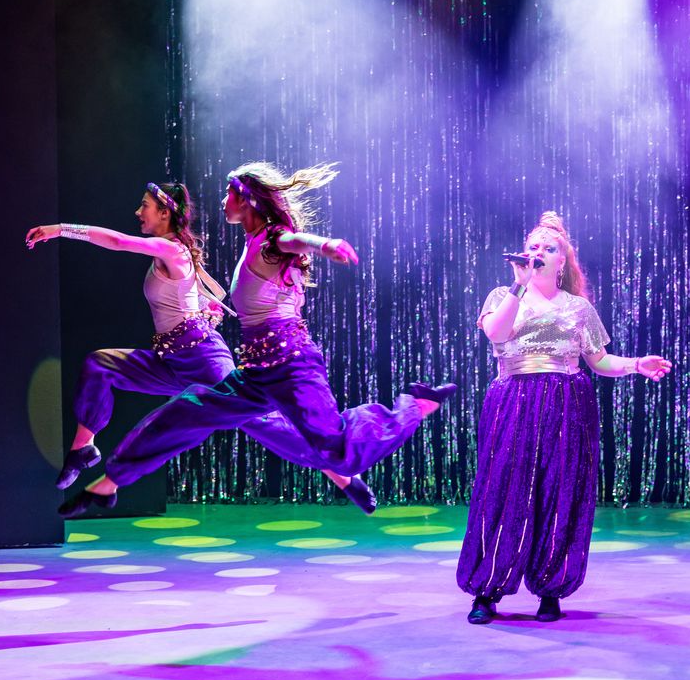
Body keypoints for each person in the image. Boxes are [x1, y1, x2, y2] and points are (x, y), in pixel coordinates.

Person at [59, 163, 453, 515]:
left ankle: (414, 406)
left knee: (338, 452)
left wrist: (324, 245)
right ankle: (110, 483)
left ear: (246, 198)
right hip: (254, 372)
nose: (223, 201)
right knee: (184, 412)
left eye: (228, 193)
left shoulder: (271, 239)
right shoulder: (251, 244)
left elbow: (294, 240)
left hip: (292, 365)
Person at [457, 211, 673, 624]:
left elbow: (599, 361)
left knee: (560, 493)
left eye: (548, 248)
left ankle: (550, 589)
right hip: (513, 399)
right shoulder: (502, 295)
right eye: (532, 246)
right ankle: (486, 590)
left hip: (567, 401)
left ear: (562, 260)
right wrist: (518, 286)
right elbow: (496, 335)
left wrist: (635, 364)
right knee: (502, 489)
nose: (538, 252)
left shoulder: (579, 308)